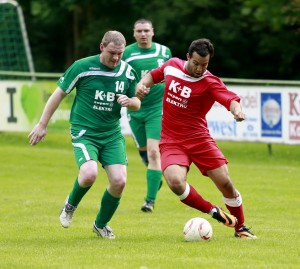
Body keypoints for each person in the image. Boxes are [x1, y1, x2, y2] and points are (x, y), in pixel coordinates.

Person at [136, 38, 257, 239]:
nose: (200, 69)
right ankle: (213, 211)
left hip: (199, 139)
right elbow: (152, 75)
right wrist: (142, 84)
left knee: (226, 183)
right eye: (196, 63)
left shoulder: (210, 82)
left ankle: (241, 228)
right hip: (172, 140)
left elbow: (231, 100)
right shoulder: (172, 66)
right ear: (188, 57)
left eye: (205, 65)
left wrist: (238, 111)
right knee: (175, 182)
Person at [28, 30, 141, 239]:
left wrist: (130, 102)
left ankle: (100, 225)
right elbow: (59, 94)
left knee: (119, 181)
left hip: (112, 134)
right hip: (85, 132)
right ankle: (70, 205)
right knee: (89, 174)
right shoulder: (82, 66)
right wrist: (43, 124)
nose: (116, 58)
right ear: (102, 47)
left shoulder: (128, 72)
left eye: (120, 53)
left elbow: (136, 102)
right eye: (112, 52)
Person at [122, 19, 172, 212]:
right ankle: (155, 176)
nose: (143, 34)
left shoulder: (164, 52)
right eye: (139, 31)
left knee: (153, 152)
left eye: (146, 30)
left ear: (153, 32)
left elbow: (171, 75)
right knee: (144, 152)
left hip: (156, 110)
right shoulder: (126, 53)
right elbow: (121, 77)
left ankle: (149, 201)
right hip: (134, 109)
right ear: (133, 33)